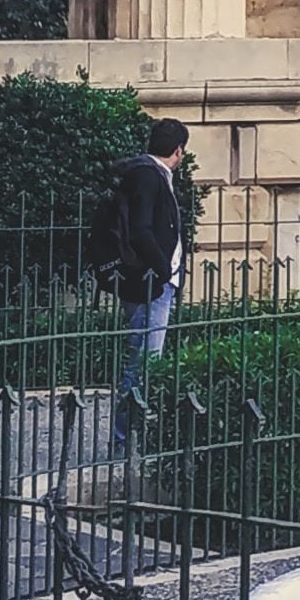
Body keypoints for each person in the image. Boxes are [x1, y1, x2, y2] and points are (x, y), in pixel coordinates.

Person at [108, 116, 191, 444]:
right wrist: (163, 270)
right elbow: (141, 231)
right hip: (150, 284)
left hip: (152, 282)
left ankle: (131, 435)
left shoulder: (152, 174)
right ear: (179, 150)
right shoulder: (149, 176)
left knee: (144, 360)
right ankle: (125, 438)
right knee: (144, 362)